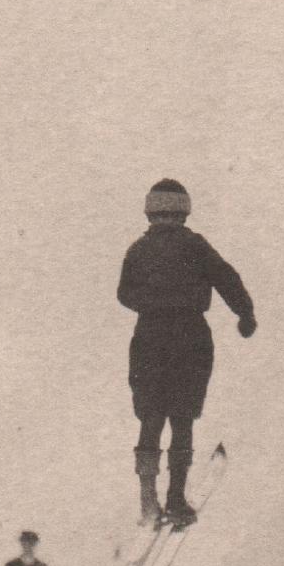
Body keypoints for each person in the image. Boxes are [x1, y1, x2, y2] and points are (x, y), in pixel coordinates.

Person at [118, 179, 257, 527]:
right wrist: (245, 313)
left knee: (150, 416)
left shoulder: (138, 249)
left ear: (150, 210)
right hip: (189, 336)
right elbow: (227, 279)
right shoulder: (195, 246)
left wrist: (153, 303)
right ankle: (176, 498)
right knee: (182, 417)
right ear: (183, 210)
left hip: (149, 336)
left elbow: (124, 294)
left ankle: (148, 499)